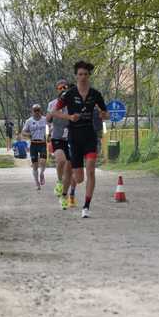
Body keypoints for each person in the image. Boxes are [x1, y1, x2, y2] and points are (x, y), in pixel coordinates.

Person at [52, 61, 110, 218]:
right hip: (75, 137)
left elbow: (106, 114)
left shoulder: (95, 94)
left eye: (85, 74)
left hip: (90, 136)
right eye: (80, 74)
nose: (83, 77)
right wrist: (70, 116)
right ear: (76, 76)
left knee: (91, 169)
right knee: (79, 178)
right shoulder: (69, 94)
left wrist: (103, 115)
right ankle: (64, 194)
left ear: (89, 76)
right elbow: (55, 112)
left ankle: (86, 206)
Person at [47, 79, 78, 207]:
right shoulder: (53, 104)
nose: (63, 90)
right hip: (58, 137)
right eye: (60, 88)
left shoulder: (73, 103)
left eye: (65, 87)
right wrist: (52, 114)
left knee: (73, 171)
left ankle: (72, 194)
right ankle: (60, 182)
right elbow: (48, 119)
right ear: (57, 90)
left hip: (72, 138)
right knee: (61, 161)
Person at [22, 104, 48, 191]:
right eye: (35, 110)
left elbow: (50, 127)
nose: (37, 112)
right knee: (35, 165)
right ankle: (37, 183)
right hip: (33, 144)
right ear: (32, 111)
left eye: (38, 110)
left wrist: (49, 134)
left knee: (43, 161)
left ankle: (42, 174)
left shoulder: (45, 119)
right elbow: (23, 132)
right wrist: (28, 134)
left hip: (42, 143)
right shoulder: (29, 121)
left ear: (40, 111)